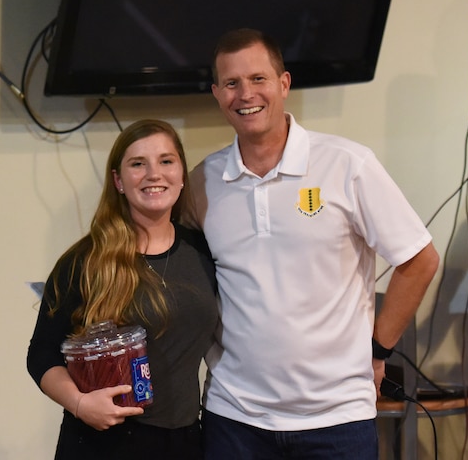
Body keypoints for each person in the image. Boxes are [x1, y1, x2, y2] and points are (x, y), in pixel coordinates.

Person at [186, 28, 440, 459]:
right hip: (235, 419)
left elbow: (420, 260)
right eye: (231, 83)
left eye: (258, 79)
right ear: (216, 93)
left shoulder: (347, 165)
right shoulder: (202, 181)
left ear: (284, 84)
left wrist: (378, 351)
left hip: (336, 421)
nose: (245, 94)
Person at [27, 119, 218, 460]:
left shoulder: (204, 251)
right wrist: (81, 404)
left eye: (166, 161)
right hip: (105, 443)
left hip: (186, 441)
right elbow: (41, 354)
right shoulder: (85, 261)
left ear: (182, 174)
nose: (153, 174)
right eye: (137, 164)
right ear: (118, 180)